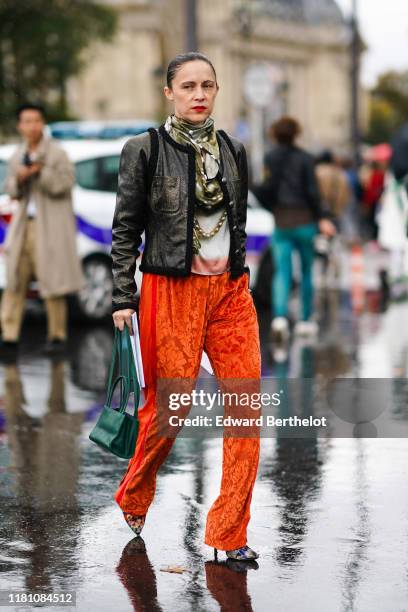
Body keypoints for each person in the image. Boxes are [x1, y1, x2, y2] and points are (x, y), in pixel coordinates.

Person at [110, 52, 261, 562]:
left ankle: (229, 533)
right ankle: (134, 491)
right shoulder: (145, 149)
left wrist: (241, 276)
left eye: (209, 85)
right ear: (169, 92)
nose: (200, 94)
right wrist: (121, 298)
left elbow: (235, 223)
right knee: (170, 410)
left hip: (230, 294)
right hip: (170, 291)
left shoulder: (236, 150)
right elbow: (126, 228)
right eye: (189, 86)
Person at [0, 103, 84, 358]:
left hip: (51, 228)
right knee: (15, 281)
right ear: (20, 125)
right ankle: (9, 336)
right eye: (26, 121)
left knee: (53, 284)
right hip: (24, 226)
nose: (31, 126)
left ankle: (57, 336)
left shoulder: (57, 153)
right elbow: (12, 189)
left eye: (36, 121)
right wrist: (22, 177)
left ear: (42, 123)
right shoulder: (18, 154)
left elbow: (64, 184)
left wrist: (41, 170)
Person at [254, 117, 336, 342]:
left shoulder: (270, 158)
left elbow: (266, 188)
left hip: (282, 221)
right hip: (305, 220)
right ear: (296, 134)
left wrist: (273, 208)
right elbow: (312, 192)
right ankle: (305, 320)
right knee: (308, 271)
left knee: (282, 271)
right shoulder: (306, 159)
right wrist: (321, 217)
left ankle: (279, 318)